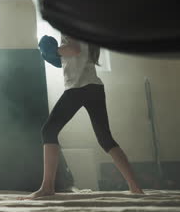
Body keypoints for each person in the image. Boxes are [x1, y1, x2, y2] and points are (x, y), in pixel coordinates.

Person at [25, 34, 143, 199]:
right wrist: (56, 56)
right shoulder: (83, 28)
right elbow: (76, 54)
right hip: (94, 87)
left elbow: (73, 49)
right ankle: (135, 187)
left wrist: (54, 51)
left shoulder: (68, 24)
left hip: (78, 88)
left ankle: (47, 187)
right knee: (105, 139)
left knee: (48, 131)